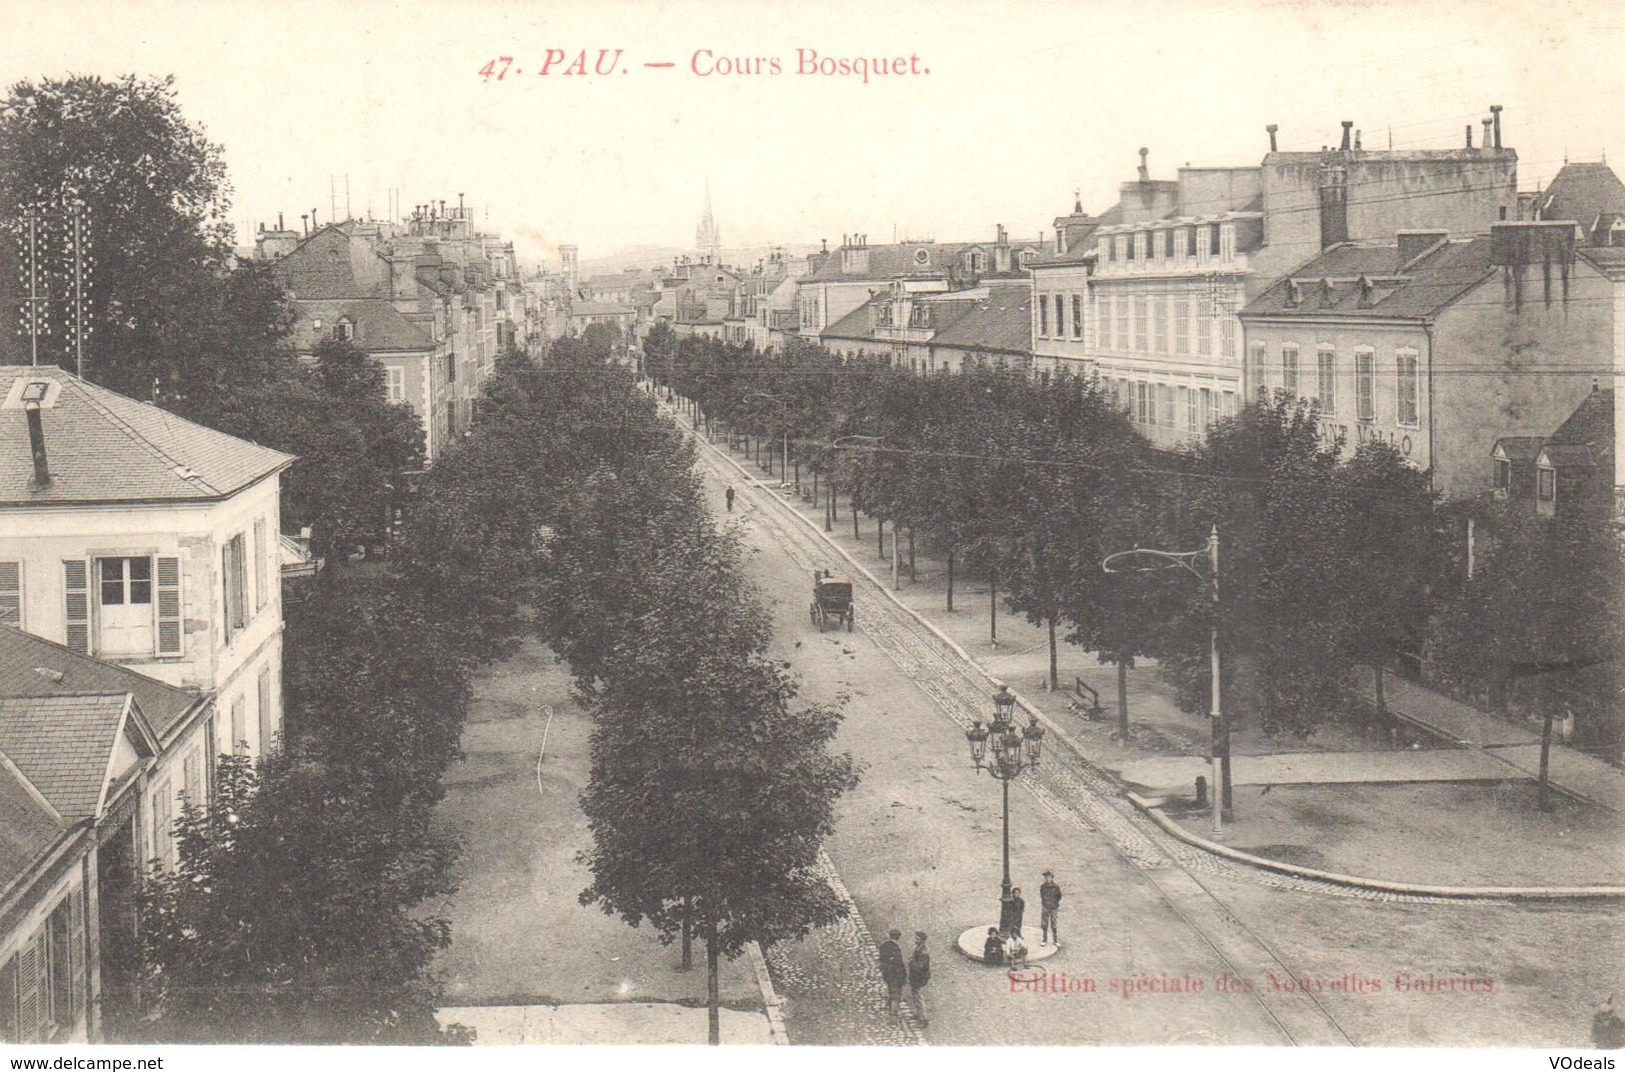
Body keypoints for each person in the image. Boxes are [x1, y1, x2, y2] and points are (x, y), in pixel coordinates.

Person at [878, 929, 908, 1015]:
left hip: (887, 974)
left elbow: (881, 960)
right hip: (895, 976)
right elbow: (898, 964)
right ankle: (893, 1013)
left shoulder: (884, 946)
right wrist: (903, 976)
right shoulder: (896, 948)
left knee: (891, 992)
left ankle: (890, 1008)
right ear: (898, 937)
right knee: (896, 996)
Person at [907, 932, 931, 1027]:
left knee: (919, 997)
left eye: (917, 939)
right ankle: (918, 1014)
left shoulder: (924, 953)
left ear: (922, 940)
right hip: (915, 977)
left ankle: (923, 1019)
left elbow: (919, 967)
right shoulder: (919, 948)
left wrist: (911, 962)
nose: (915, 940)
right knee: (915, 996)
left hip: (919, 978)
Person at [1039, 870, 1062, 945]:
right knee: (1044, 924)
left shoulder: (1055, 887)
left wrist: (1054, 903)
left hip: (1053, 907)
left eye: (1049, 877)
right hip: (1045, 907)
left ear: (1052, 878)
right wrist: (1045, 903)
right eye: (1046, 877)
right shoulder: (1043, 887)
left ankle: (1055, 940)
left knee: (1053, 924)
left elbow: (1059, 896)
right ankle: (1044, 939)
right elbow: (1042, 896)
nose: (1047, 879)